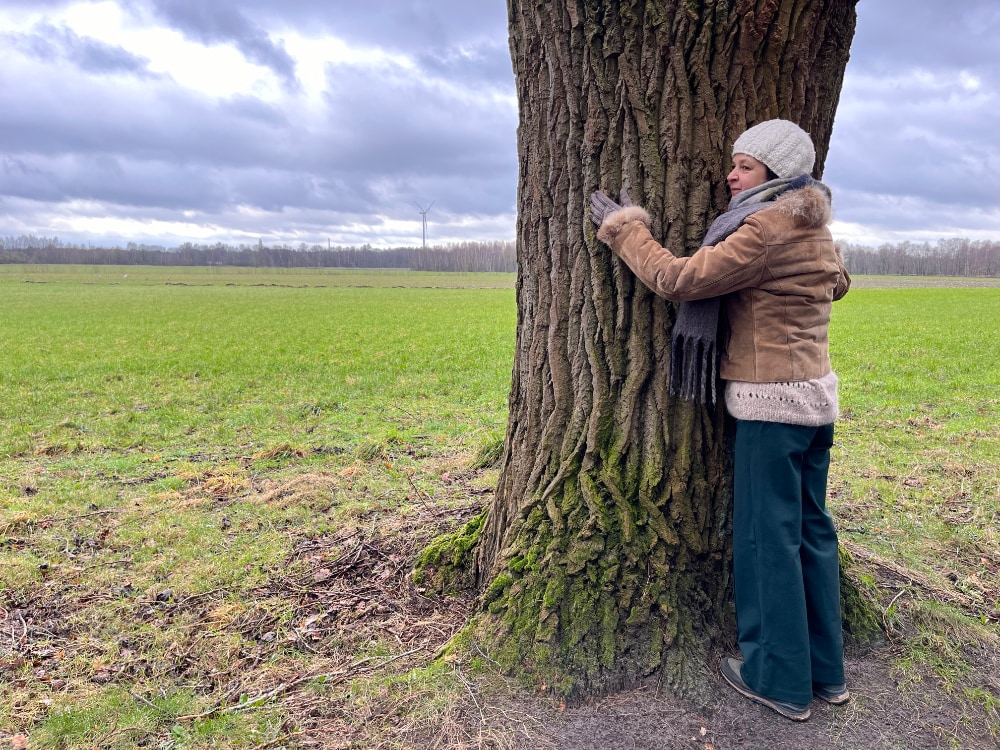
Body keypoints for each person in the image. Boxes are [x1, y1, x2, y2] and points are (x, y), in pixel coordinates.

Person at [590, 119, 851, 722]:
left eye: (746, 167)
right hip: (816, 403)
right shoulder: (817, 227)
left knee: (767, 541)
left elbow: (678, 279)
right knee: (812, 532)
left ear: (777, 177)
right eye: (734, 164)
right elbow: (837, 285)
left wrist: (627, 229)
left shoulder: (764, 228)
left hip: (771, 405)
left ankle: (779, 679)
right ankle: (827, 672)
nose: (731, 176)